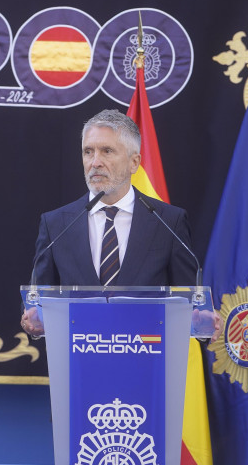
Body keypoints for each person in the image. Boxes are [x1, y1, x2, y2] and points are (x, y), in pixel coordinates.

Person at [22, 109, 195, 335]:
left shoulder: (168, 221)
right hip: (78, 361)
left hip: (147, 360)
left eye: (107, 151)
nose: (95, 162)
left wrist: (197, 316)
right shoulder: (56, 224)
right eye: (88, 152)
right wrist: (35, 319)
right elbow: (39, 297)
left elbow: (189, 300)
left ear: (134, 163)